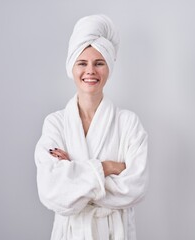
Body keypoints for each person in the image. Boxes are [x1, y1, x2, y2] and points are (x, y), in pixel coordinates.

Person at [35, 14, 148, 240]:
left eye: (99, 63)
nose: (90, 71)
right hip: (70, 233)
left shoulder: (128, 123)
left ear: (109, 68)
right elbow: (51, 191)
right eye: (82, 63)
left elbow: (135, 187)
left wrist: (74, 174)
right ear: (72, 67)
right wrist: (106, 167)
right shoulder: (55, 123)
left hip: (115, 233)